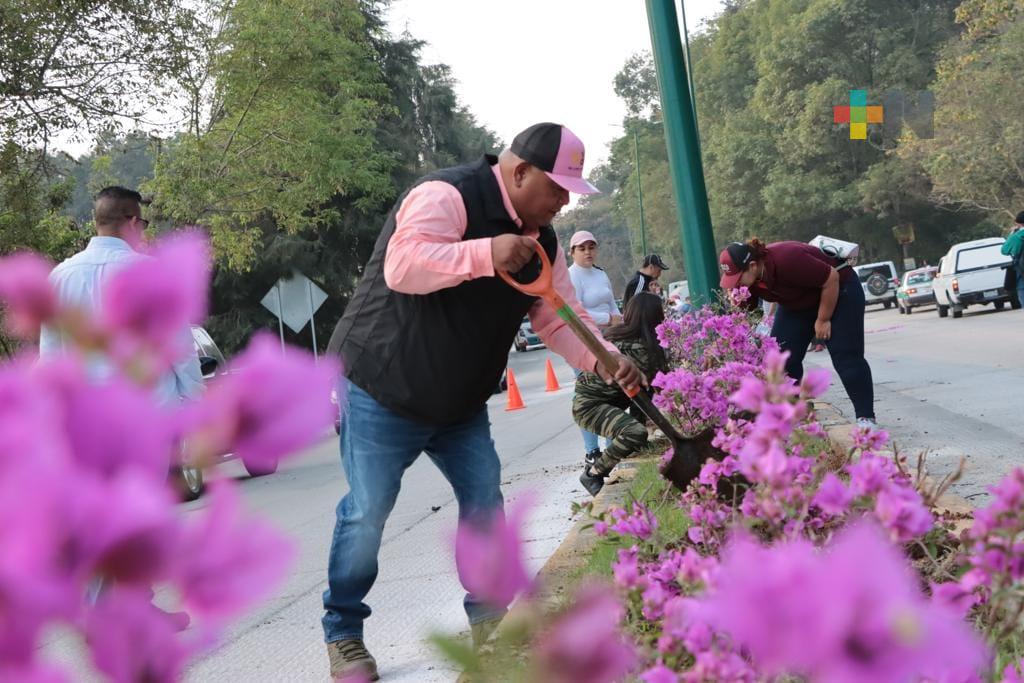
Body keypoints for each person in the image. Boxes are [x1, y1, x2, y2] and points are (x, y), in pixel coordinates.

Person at [322, 123, 642, 681]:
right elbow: (404, 266)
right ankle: (344, 632)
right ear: (519, 172)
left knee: (485, 505)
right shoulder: (446, 196)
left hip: (460, 400)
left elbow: (558, 315)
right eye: (556, 187)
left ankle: (490, 623)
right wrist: (485, 252)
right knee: (368, 511)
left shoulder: (544, 243)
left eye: (570, 191)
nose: (563, 202)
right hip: (382, 387)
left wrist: (604, 360)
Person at [38, 186, 202, 405]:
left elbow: (51, 358)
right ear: (134, 223)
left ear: (97, 222)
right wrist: (197, 402)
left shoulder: (58, 278)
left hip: (89, 418)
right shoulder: (155, 274)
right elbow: (180, 349)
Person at [718, 238, 876, 428]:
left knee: (845, 355)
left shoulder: (786, 259)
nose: (735, 284)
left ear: (752, 266)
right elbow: (749, 314)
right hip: (799, 302)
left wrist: (823, 319)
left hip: (839, 290)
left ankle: (865, 417)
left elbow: (831, 278)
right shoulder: (752, 280)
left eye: (737, 278)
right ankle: (791, 415)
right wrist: (737, 308)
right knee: (781, 358)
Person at [574, 293, 668, 496]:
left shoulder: (617, 337)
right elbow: (663, 389)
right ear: (656, 318)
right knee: (634, 433)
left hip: (603, 402)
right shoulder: (640, 350)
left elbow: (641, 396)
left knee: (638, 433)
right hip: (590, 407)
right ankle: (593, 473)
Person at [567, 229, 621, 466]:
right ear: (572, 252)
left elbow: (613, 305)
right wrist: (607, 319)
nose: (588, 252)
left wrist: (619, 324)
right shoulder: (571, 276)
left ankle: (612, 446)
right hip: (582, 343)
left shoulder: (600, 274)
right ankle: (592, 451)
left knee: (610, 392)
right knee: (589, 396)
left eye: (591, 247)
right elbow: (576, 313)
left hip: (607, 340)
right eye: (582, 248)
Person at [1000, 211, 1024, 306]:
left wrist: (1012, 233)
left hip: (1022, 278)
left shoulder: (1018, 236)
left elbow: (1004, 250)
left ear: (1019, 223)